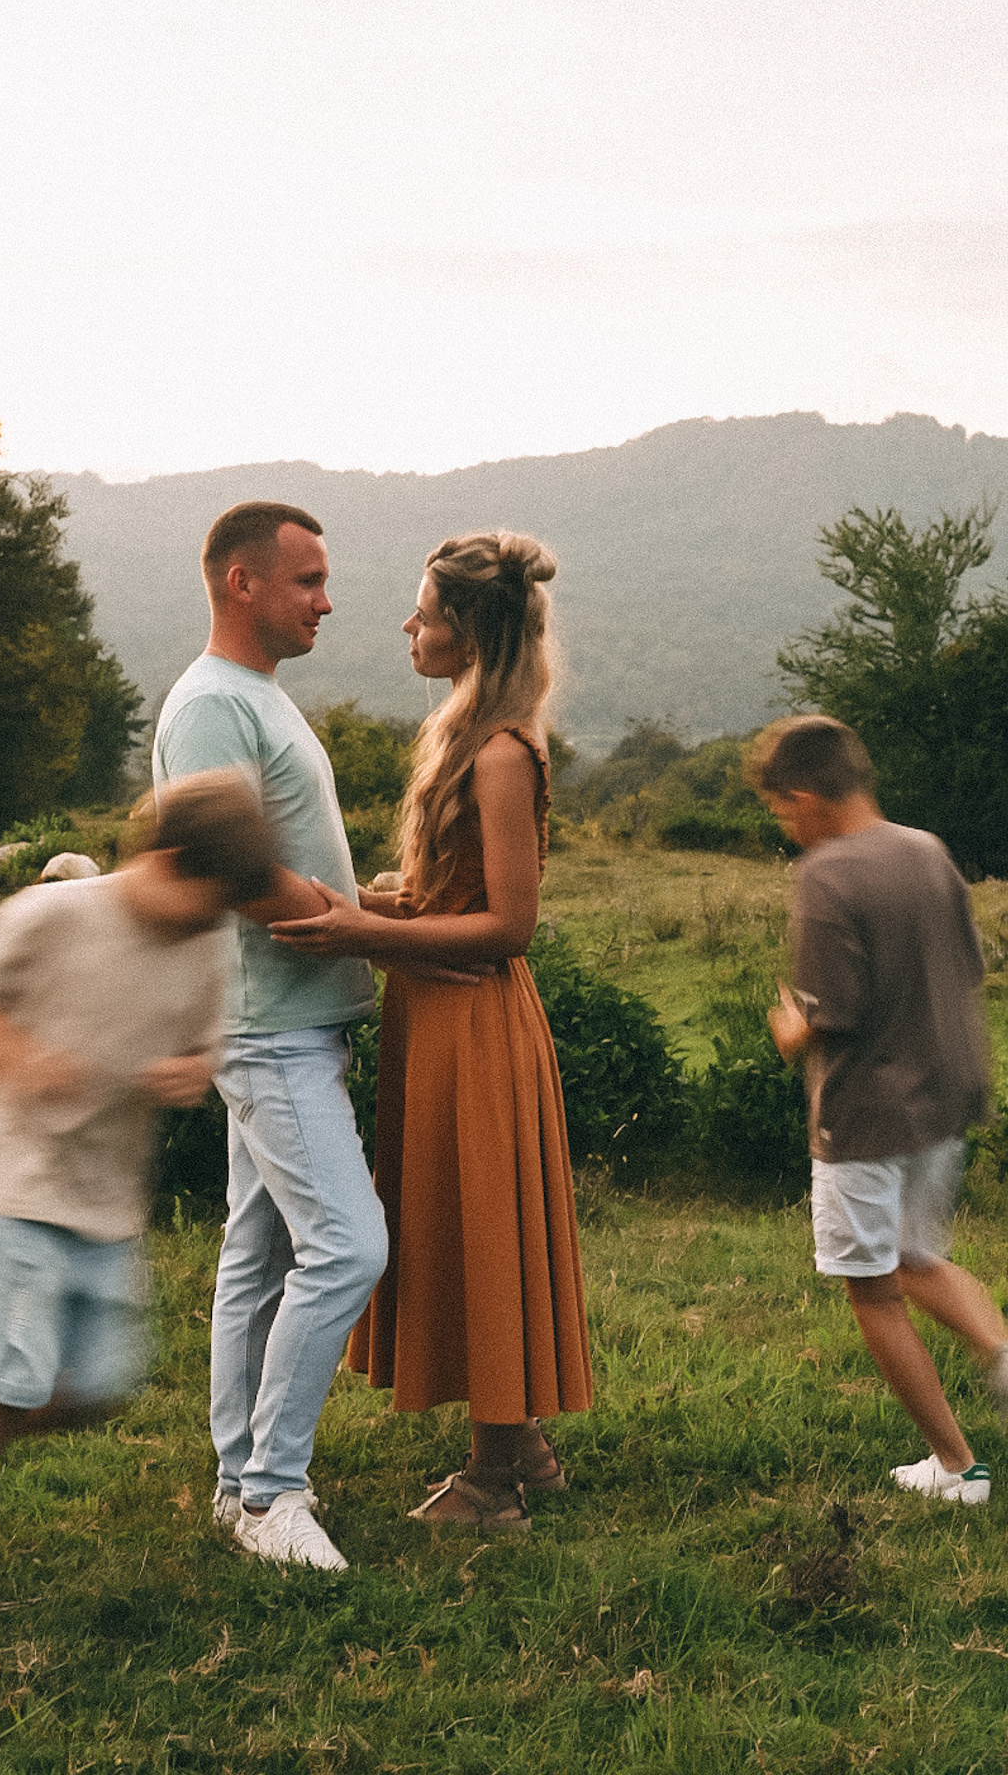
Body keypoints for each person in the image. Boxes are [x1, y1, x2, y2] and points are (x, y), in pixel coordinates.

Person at [0, 772, 276, 1618]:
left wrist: (190, 1071)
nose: (217, 919)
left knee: (96, 1385)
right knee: (15, 1376)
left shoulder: (207, 942)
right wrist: (20, 1058)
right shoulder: (55, 912)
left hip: (107, 1196)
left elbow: (208, 1044)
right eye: (210, 898)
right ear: (165, 859)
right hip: (12, 1174)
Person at [272, 531, 592, 1530]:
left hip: (476, 1024)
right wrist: (397, 908)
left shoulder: (500, 752)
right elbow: (464, 895)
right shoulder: (465, 733)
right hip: (435, 1012)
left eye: (423, 612)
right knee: (456, 1224)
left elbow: (510, 925)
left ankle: (493, 1481)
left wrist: (363, 932)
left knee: (479, 1227)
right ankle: (522, 1446)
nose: (407, 626)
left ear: (469, 632)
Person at [152, 501, 389, 1572]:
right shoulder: (209, 706)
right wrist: (359, 927)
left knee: (257, 1260)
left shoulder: (257, 699)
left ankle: (232, 1486)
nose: (325, 601)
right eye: (306, 581)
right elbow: (227, 867)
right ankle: (269, 1493)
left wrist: (364, 903)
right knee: (349, 1245)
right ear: (240, 583)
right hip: (266, 1028)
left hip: (296, 1021)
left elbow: (282, 853)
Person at [753, 714, 1008, 1504]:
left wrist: (793, 1030)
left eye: (783, 813)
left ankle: (957, 1468)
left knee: (873, 1285)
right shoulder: (927, 850)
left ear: (804, 796)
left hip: (865, 1116)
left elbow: (836, 1008)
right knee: (916, 1257)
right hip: (944, 1100)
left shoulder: (826, 876)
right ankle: (1001, 1354)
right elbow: (969, 967)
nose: (789, 829)